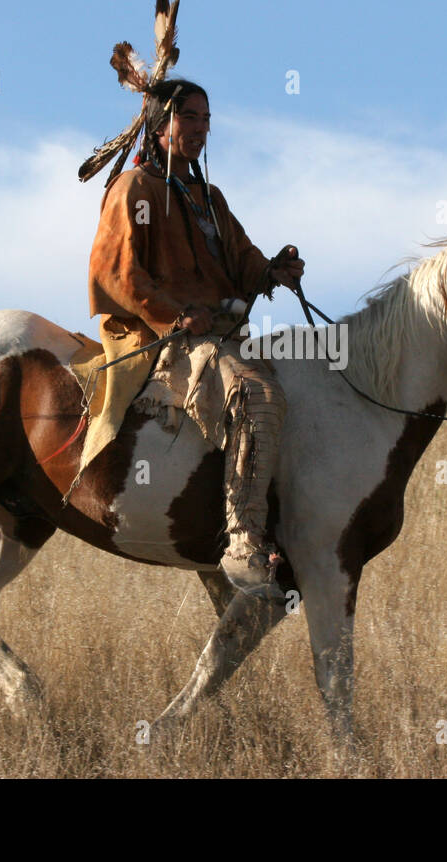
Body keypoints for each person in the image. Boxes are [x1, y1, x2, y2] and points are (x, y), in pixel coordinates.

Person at [86, 77, 304, 600]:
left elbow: (241, 259)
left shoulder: (210, 197)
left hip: (220, 334)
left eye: (207, 119)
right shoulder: (134, 189)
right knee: (257, 394)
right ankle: (244, 541)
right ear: (162, 124)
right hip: (163, 339)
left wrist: (273, 271)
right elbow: (117, 272)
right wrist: (175, 314)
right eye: (190, 118)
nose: (201, 129)